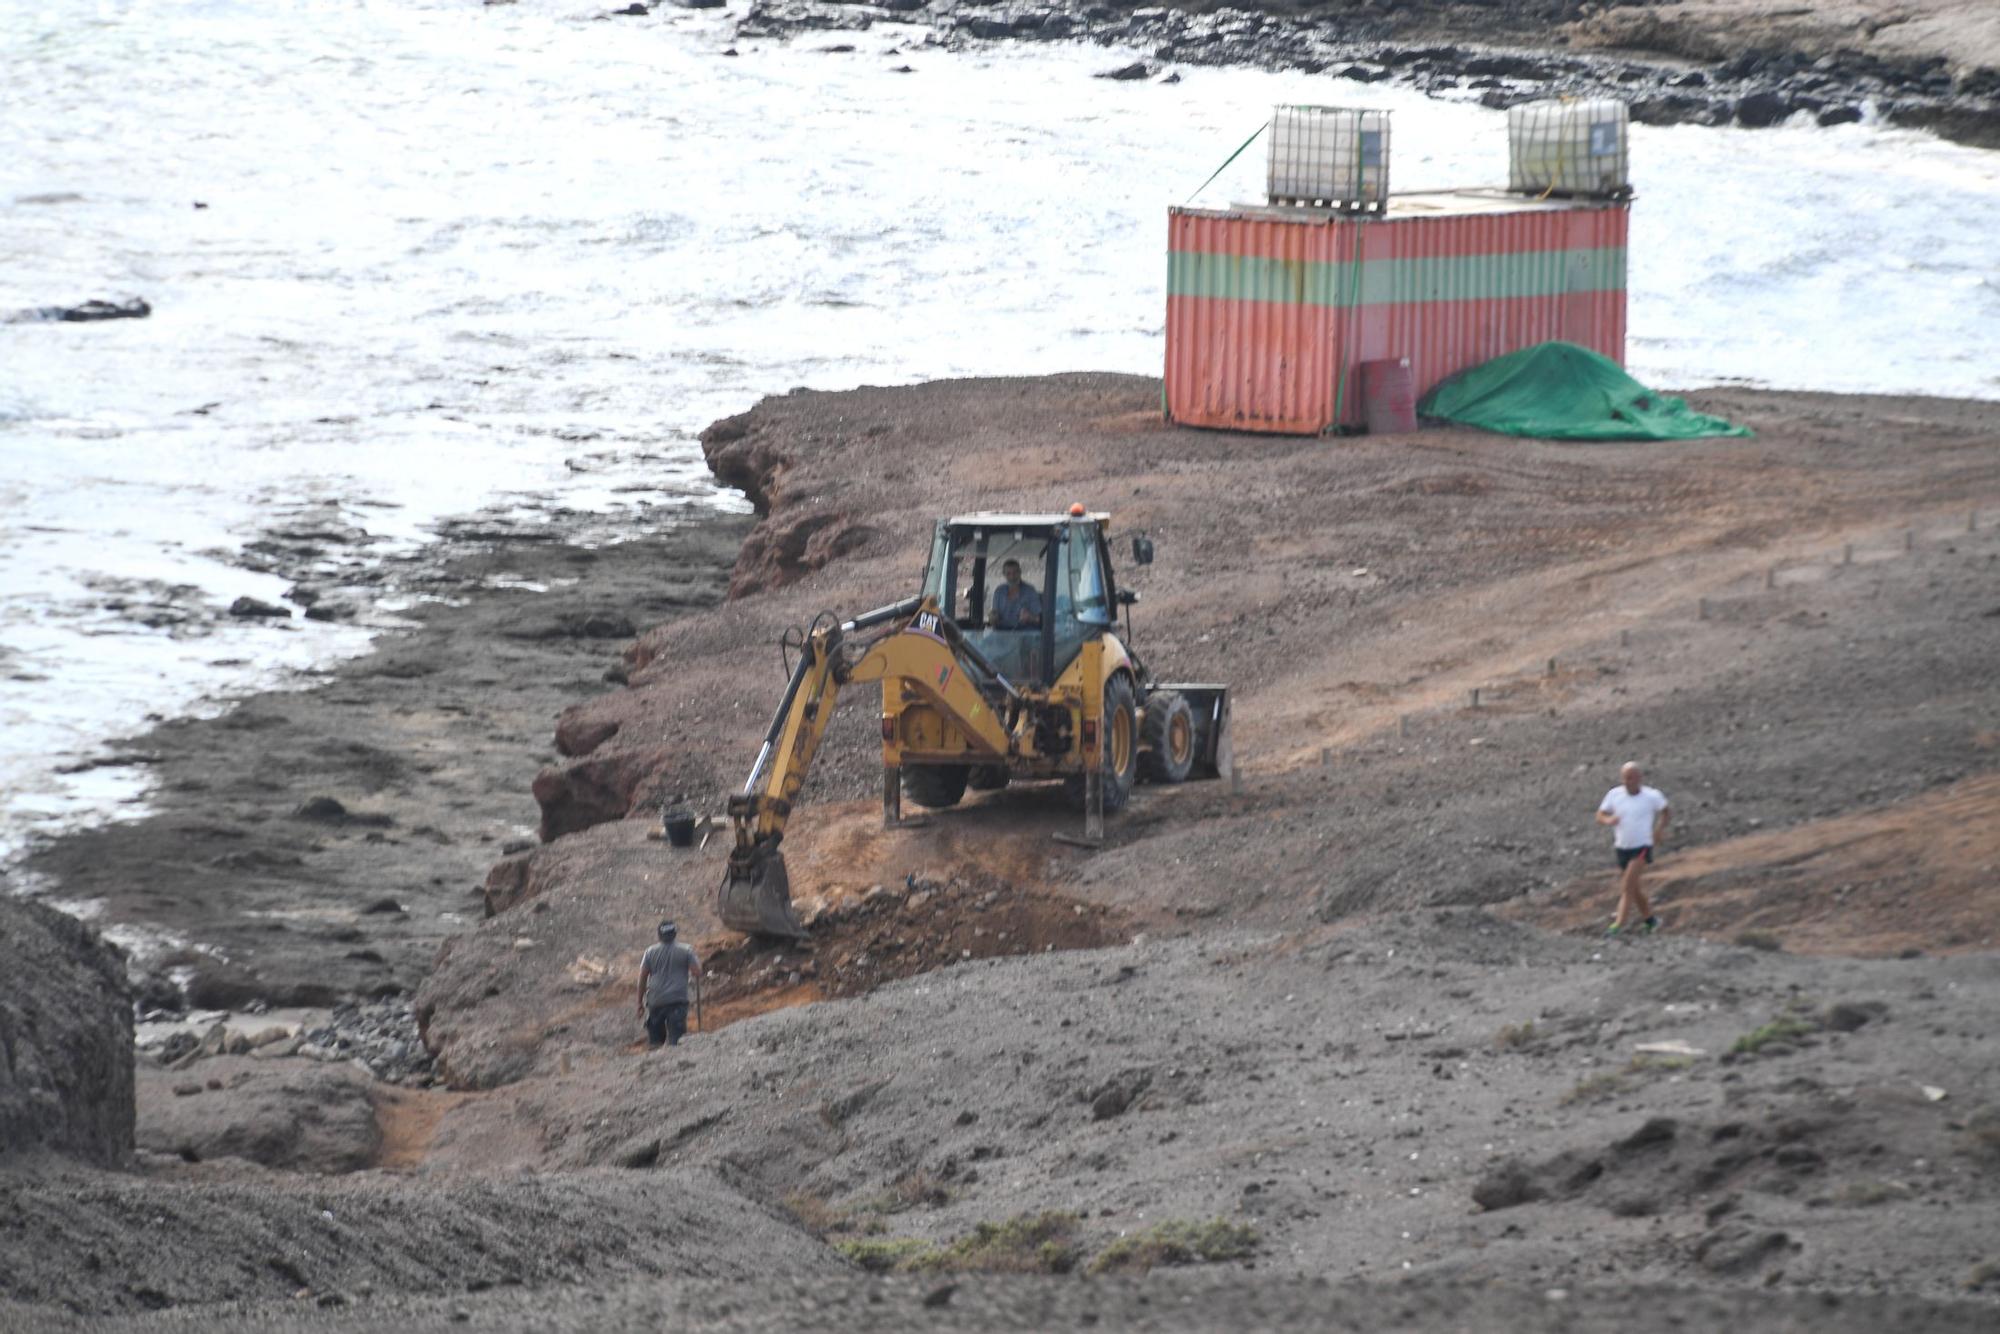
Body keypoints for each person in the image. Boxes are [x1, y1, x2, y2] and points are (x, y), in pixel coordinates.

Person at [1596, 762, 1670, 936]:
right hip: (1622, 846)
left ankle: (1618, 925)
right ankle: (1651, 920)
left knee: (1627, 886)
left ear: (1639, 778)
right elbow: (1599, 814)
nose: (1627, 781)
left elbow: (1666, 811)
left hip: (1642, 846)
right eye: (1625, 777)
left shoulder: (1651, 796)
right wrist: (1608, 820)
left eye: (1631, 777)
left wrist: (1658, 830)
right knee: (1634, 888)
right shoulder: (1614, 795)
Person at [636, 921, 701, 1048]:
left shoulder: (650, 952)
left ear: (659, 935)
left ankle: (654, 1062)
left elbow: (642, 977)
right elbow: (697, 972)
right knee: (676, 1042)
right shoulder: (686, 950)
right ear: (675, 933)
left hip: (656, 1000)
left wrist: (639, 1003)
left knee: (655, 1043)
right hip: (677, 1000)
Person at [990, 557, 1041, 630]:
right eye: (1008, 574)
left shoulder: (1030, 591)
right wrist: (993, 618)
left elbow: (1040, 620)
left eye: (1015, 572)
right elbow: (994, 615)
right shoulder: (999, 591)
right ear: (1004, 574)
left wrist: (1030, 617)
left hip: (1023, 631)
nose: (1012, 577)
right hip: (1001, 631)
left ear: (1020, 572)